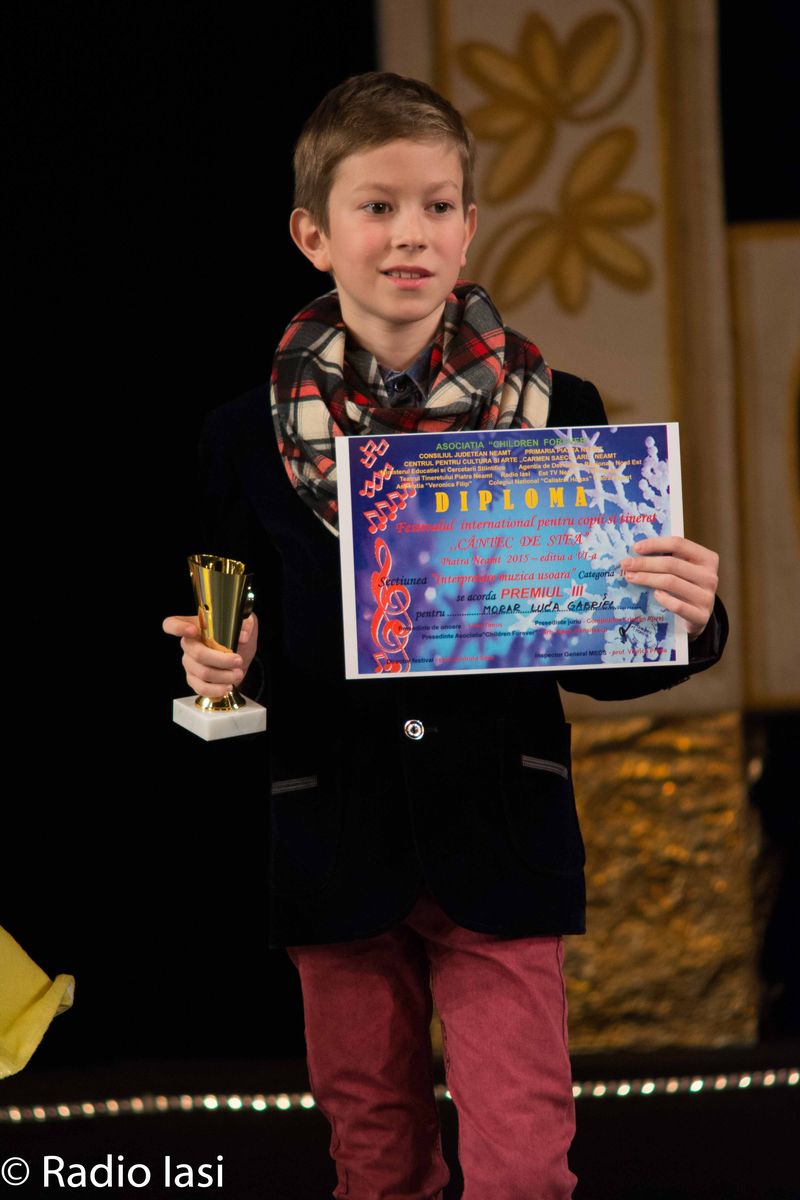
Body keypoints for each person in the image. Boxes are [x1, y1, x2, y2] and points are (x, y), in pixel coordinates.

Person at [164, 72, 725, 1200]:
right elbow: (232, 634)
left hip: (500, 838)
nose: (408, 234)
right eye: (376, 207)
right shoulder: (240, 439)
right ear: (314, 235)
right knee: (375, 1167)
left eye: (435, 206)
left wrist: (688, 616)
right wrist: (223, 666)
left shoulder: (562, 410)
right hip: (335, 841)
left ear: (468, 227)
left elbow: (599, 645)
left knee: (523, 1168)